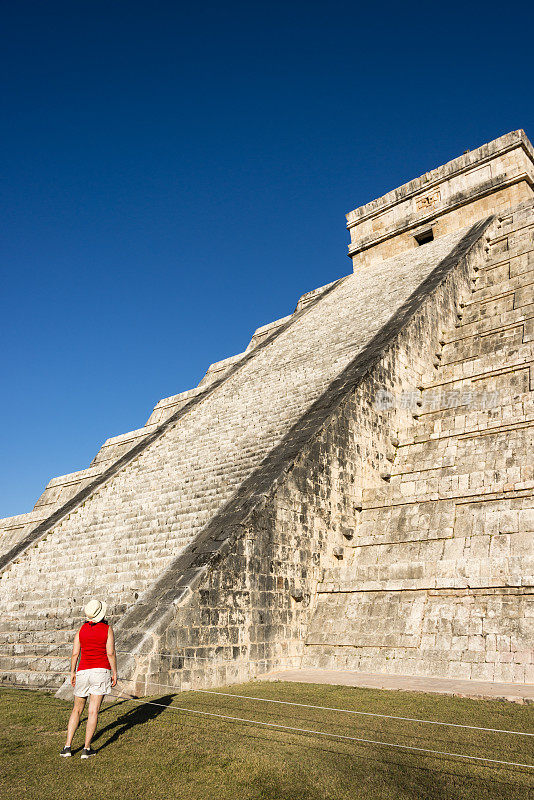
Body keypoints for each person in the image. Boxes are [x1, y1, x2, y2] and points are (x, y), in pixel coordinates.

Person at [60, 599, 118, 759]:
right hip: (100, 671)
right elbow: (111, 652)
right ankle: (86, 748)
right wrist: (114, 672)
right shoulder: (107, 629)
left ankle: (67, 746)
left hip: (83, 671)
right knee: (93, 711)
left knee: (77, 710)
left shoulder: (82, 629)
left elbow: (75, 653)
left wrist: (72, 672)